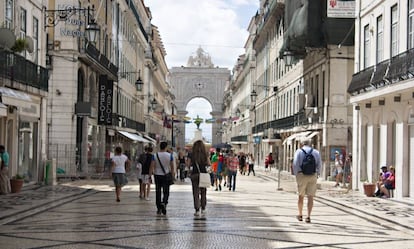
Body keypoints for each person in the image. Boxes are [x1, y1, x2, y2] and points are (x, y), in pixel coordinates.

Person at [292, 139, 322, 223]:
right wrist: (318, 174)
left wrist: (296, 174)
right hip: (313, 175)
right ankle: (308, 216)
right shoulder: (316, 152)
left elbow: (295, 163)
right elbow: (319, 164)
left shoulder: (298, 151)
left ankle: (300, 214)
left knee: (301, 196)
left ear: (302, 144)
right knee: (310, 197)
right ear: (310, 144)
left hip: (301, 175)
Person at [151, 141, 175, 215]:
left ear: (160, 147)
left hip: (157, 175)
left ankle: (158, 208)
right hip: (166, 175)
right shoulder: (170, 155)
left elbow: (152, 165)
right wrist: (173, 175)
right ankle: (164, 202)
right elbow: (172, 166)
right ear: (166, 147)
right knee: (166, 191)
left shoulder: (155, 155)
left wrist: (150, 174)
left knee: (158, 191)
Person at [188, 140, 210, 216]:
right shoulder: (205, 154)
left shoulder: (191, 154)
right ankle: (203, 208)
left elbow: (188, 164)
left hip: (194, 174)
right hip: (203, 174)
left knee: (195, 193)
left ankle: (197, 209)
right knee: (203, 192)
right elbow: (209, 163)